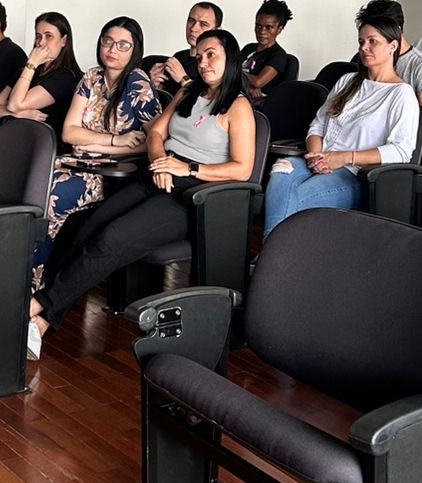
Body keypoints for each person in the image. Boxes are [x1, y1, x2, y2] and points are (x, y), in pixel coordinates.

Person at [29, 29, 255, 352]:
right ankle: (43, 315)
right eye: (200, 56)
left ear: (229, 59)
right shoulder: (189, 93)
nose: (203, 63)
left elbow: (242, 168)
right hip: (158, 175)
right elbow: (155, 132)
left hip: (195, 194)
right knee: (84, 225)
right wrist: (162, 158)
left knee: (111, 238)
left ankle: (37, 310)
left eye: (211, 55)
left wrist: (185, 168)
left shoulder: (238, 106)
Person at [32, 16, 162, 286]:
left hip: (112, 173)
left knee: (50, 194)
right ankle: (11, 268)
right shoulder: (92, 77)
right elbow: (69, 131)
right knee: (28, 180)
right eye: (108, 42)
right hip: (78, 160)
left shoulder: (138, 85)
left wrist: (94, 144)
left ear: (135, 49)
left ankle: (37, 282)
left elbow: (155, 140)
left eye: (123, 45)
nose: (113, 50)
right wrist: (113, 140)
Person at [263, 11, 419, 234]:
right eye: (361, 42)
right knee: (281, 170)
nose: (364, 47)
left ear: (393, 46)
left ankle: (269, 258)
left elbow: (401, 151)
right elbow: (318, 125)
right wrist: (317, 156)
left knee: (294, 203)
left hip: (353, 172)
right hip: (320, 160)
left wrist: (342, 158)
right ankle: (274, 259)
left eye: (372, 41)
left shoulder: (401, 94)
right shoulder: (347, 81)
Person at [0, 10, 81, 141]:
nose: (41, 42)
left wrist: (31, 63)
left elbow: (14, 105)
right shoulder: (25, 71)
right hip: (12, 138)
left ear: (63, 40)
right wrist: (21, 115)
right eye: (38, 36)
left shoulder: (64, 77)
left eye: (48, 36)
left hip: (38, 145)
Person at [357, 0, 422, 129]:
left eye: (373, 38)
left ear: (396, 30)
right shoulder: (366, 57)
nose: (365, 47)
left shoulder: (421, 66)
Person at [156, 1, 223, 92]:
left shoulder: (218, 63)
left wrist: (183, 79)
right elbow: (165, 97)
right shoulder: (179, 57)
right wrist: (154, 84)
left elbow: (210, 99)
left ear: (217, 30)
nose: (193, 28)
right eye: (191, 21)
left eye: (203, 24)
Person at [240, 0, 292, 100]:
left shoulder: (278, 55)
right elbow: (229, 70)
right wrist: (247, 85)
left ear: (279, 29)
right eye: (258, 26)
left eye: (268, 27)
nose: (262, 31)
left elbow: (258, 82)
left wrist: (236, 76)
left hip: (258, 104)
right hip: (239, 94)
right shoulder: (249, 48)